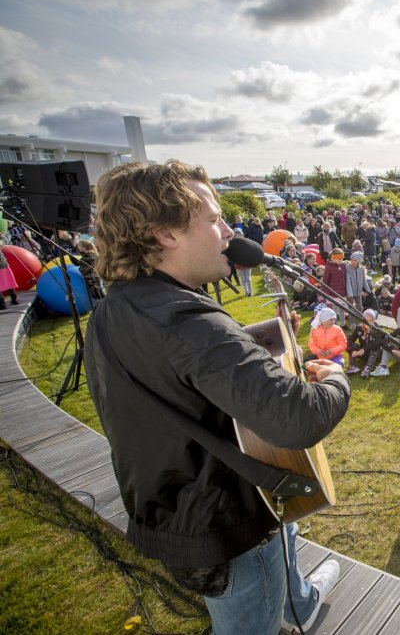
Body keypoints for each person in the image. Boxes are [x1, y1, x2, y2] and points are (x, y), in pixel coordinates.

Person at [83, 160, 351, 635]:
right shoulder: (190, 323)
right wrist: (336, 379)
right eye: (212, 219)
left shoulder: (115, 308)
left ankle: (301, 602)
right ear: (163, 234)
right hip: (226, 530)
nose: (229, 230)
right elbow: (297, 418)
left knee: (283, 529)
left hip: (179, 507)